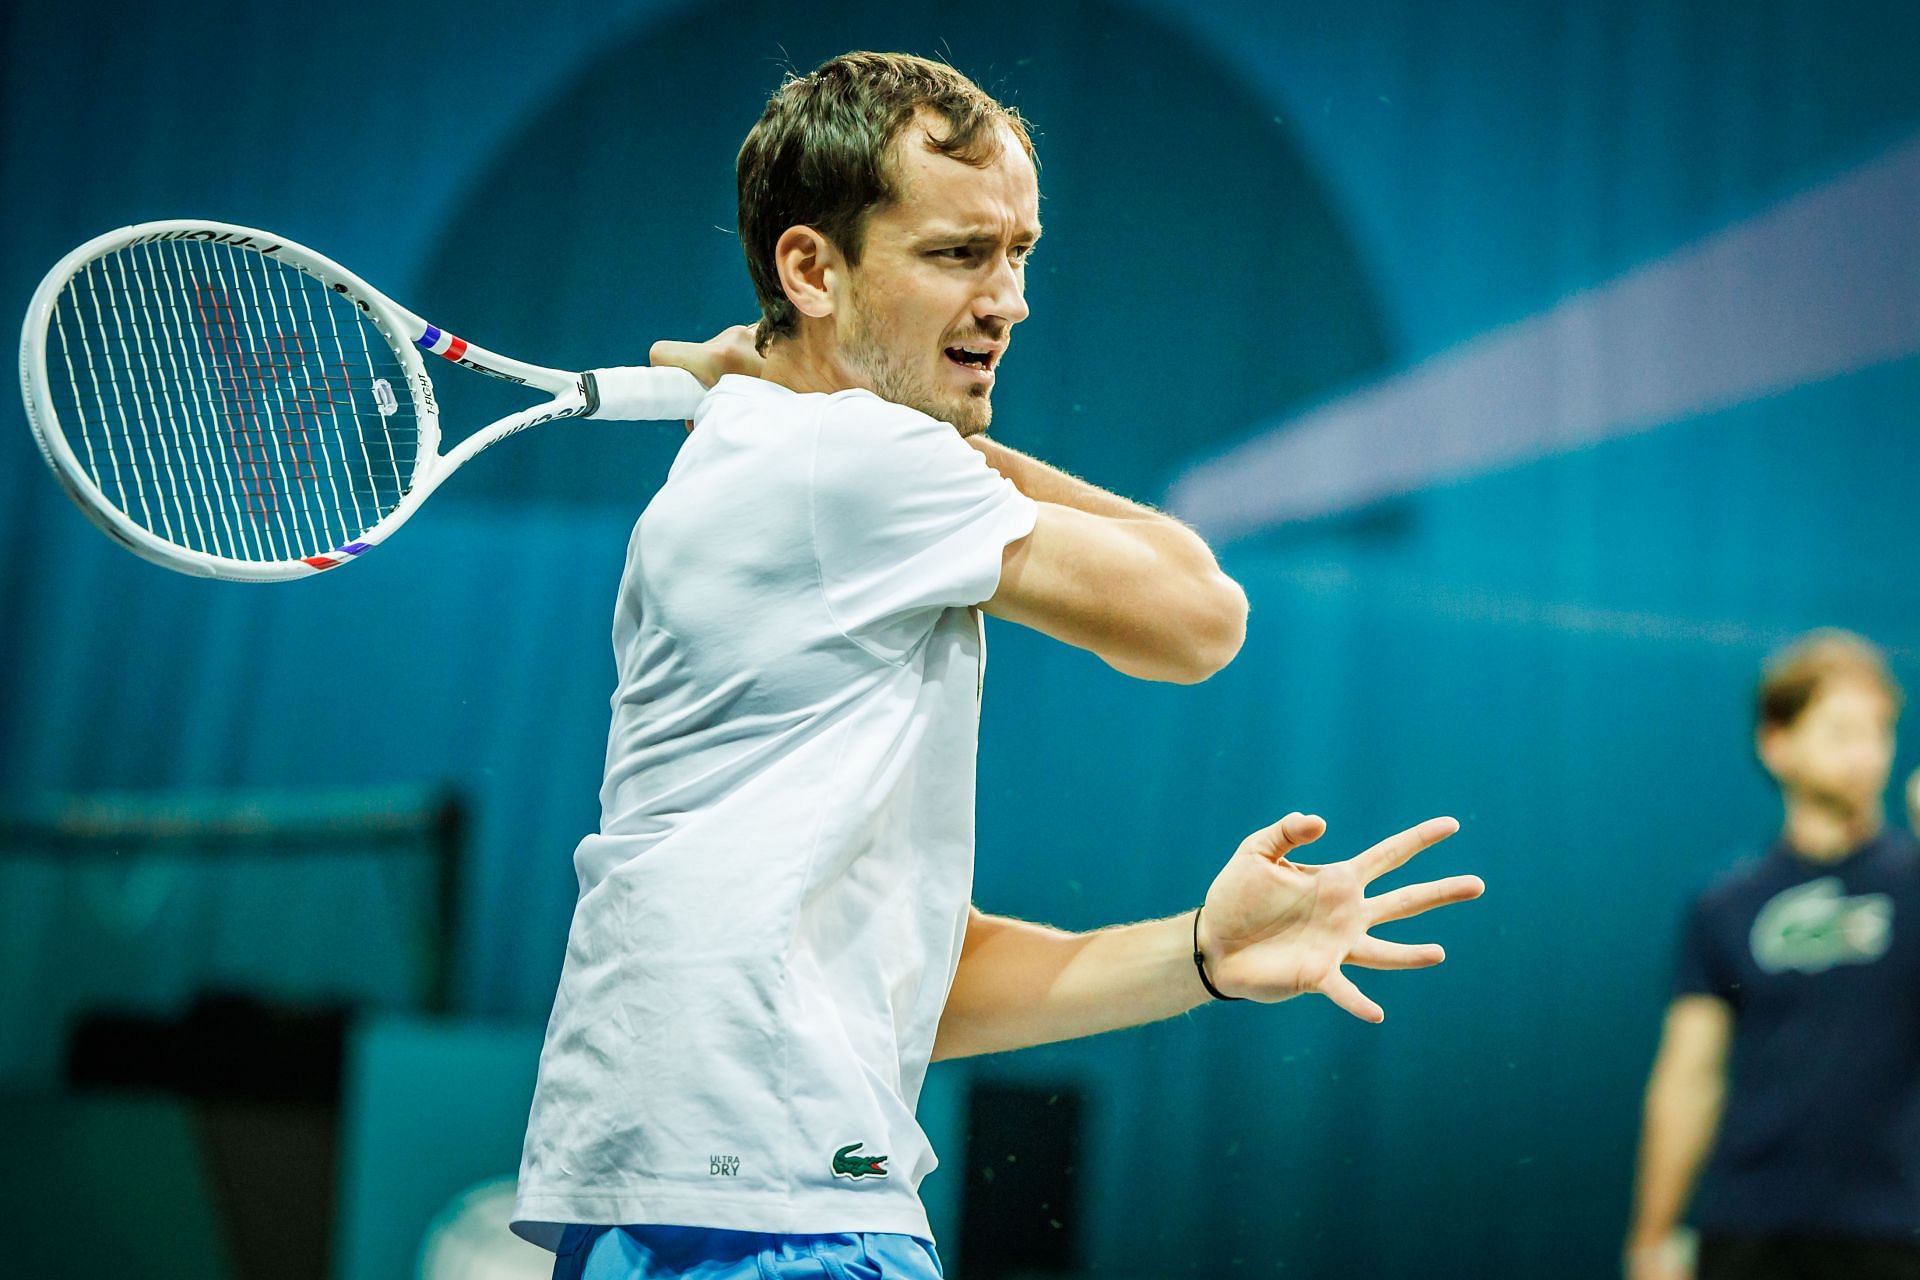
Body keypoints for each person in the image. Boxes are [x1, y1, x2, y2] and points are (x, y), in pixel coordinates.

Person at [511, 51, 1484, 1280]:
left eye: (1019, 250)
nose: (1009, 298)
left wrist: (1199, 953)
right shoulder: (844, 465)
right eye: (959, 254)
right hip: (775, 1215)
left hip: (670, 1204)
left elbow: (928, 976)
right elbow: (1198, 615)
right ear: (811, 268)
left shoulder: (782, 462)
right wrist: (874, 423)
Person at [1626, 630, 1920, 1280]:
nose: (1865, 754)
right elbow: (1689, 1075)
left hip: (1893, 1230)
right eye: (1842, 731)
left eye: (1878, 732)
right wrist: (1652, 1237)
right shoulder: (1725, 903)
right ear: (1776, 742)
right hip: (1748, 1226)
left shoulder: (1915, 881)